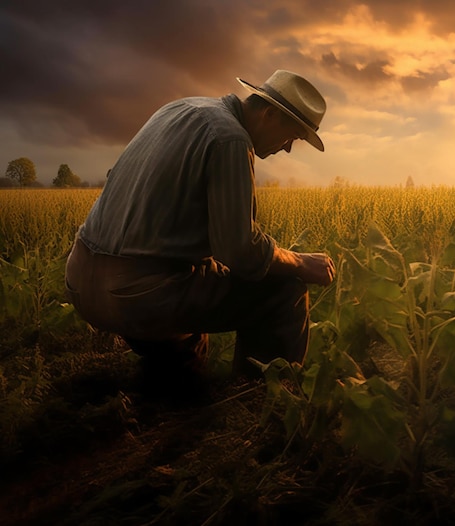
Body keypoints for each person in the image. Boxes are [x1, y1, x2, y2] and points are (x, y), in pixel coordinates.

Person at [64, 69, 336, 388]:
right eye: (292, 135)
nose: (288, 148)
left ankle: (174, 381)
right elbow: (241, 251)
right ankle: (257, 401)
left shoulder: (178, 109)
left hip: (81, 283)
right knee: (284, 291)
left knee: (189, 346)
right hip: (139, 297)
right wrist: (301, 263)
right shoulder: (231, 139)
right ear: (270, 113)